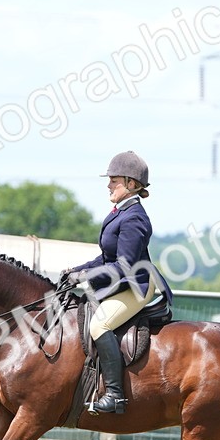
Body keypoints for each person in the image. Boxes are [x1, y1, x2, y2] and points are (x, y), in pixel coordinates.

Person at [62, 151, 173, 415]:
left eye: (114, 180)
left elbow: (124, 266)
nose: (108, 185)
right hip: (121, 282)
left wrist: (85, 278)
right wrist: (76, 271)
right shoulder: (120, 213)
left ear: (131, 184)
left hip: (136, 286)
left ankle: (114, 395)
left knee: (100, 325)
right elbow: (105, 258)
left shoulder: (134, 217)